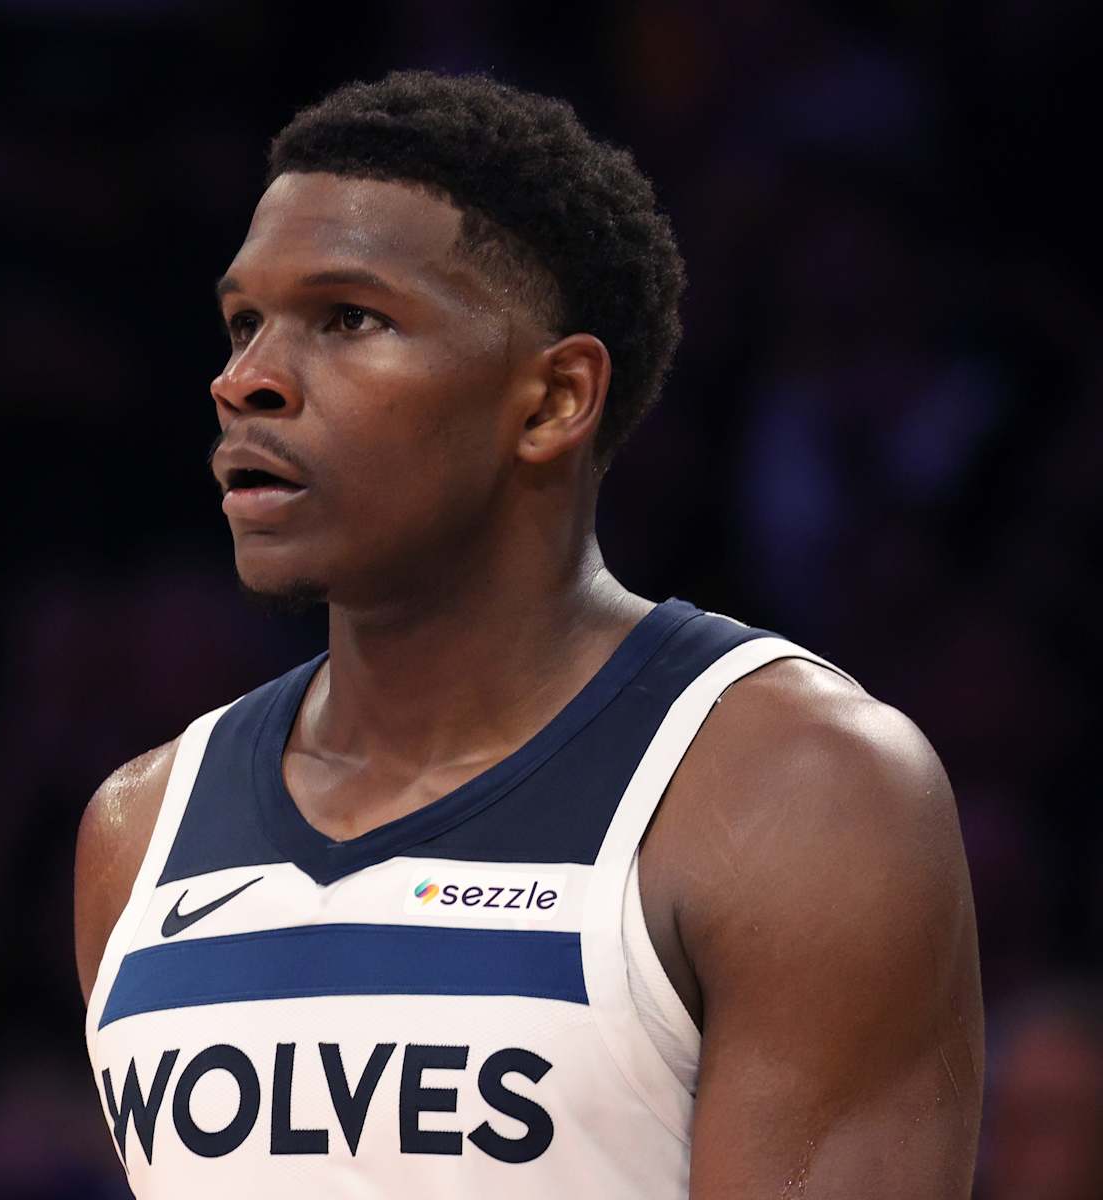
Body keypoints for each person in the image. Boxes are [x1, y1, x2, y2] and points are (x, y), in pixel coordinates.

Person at [73, 70, 981, 1197]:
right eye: (244, 324)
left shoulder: (802, 791)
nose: (244, 380)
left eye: (348, 318)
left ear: (554, 400)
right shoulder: (140, 827)